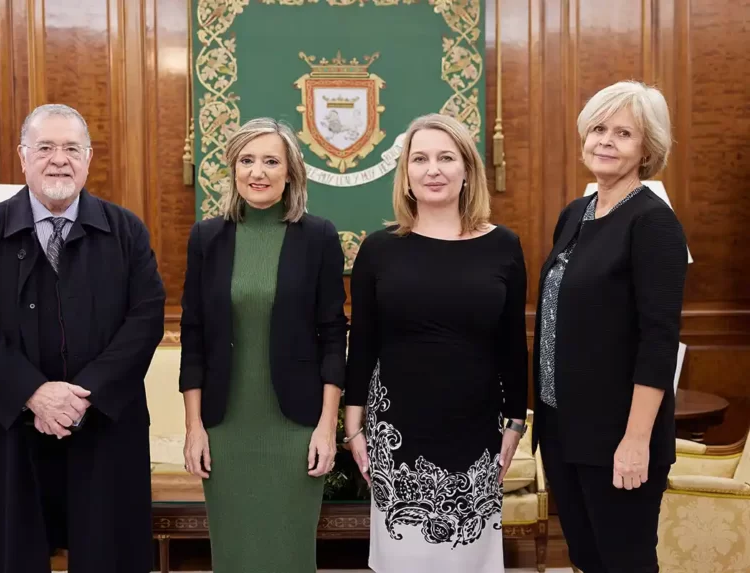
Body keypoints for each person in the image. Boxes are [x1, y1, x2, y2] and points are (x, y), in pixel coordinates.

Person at [0, 104, 165, 573]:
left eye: (70, 148)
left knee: (111, 556)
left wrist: (84, 397)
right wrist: (33, 394)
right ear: (23, 157)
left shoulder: (126, 231)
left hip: (104, 425)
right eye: (45, 148)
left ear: (88, 158)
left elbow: (145, 320)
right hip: (6, 431)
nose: (58, 159)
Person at [344, 113, 528, 572]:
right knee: (404, 559)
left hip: (477, 430)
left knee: (470, 559)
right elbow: (363, 342)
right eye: (420, 158)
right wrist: (353, 427)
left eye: (446, 157)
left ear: (467, 170)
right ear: (405, 174)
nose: (433, 169)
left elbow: (512, 342)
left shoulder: (504, 246)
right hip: (398, 432)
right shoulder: (379, 249)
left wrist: (516, 423)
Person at [179, 118, 348, 573]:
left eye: (271, 161)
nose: (259, 171)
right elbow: (192, 337)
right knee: (234, 556)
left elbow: (334, 336)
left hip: (294, 427)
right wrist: (194, 427)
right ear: (233, 169)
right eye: (247, 160)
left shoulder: (318, 237)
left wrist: (326, 428)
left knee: (289, 555)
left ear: (290, 172)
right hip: (225, 428)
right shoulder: (206, 238)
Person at [533, 80, 688, 573]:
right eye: (598, 128)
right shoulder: (576, 213)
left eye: (623, 133)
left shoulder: (654, 223)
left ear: (647, 149)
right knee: (586, 558)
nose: (605, 140)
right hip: (563, 429)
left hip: (619, 436)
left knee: (625, 562)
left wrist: (636, 440)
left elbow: (659, 342)